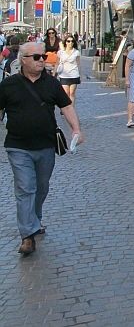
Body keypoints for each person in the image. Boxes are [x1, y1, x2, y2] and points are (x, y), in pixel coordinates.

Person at [0, 42, 83, 255]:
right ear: (23, 60)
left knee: (41, 186)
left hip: (46, 145)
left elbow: (66, 106)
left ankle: (34, 218)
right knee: (26, 187)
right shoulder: (8, 85)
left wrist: (76, 130)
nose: (41, 61)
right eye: (36, 57)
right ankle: (27, 236)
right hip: (17, 146)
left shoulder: (52, 83)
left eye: (43, 57)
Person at [56, 34, 81, 102]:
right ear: (65, 42)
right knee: (66, 93)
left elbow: (78, 63)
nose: (71, 43)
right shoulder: (60, 52)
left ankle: (71, 110)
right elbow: (57, 63)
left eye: (72, 41)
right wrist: (54, 73)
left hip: (74, 74)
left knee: (72, 93)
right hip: (64, 75)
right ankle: (66, 108)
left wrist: (80, 74)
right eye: (68, 41)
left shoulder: (76, 52)